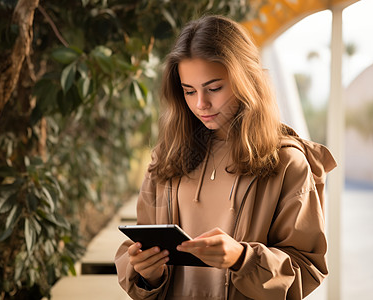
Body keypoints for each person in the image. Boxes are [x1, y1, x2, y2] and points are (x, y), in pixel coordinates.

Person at [115, 14, 336, 300]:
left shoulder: (287, 163)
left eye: (214, 88)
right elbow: (137, 247)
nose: (200, 104)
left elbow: (307, 268)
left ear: (247, 80)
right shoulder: (167, 157)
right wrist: (147, 273)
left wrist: (242, 258)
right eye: (188, 91)